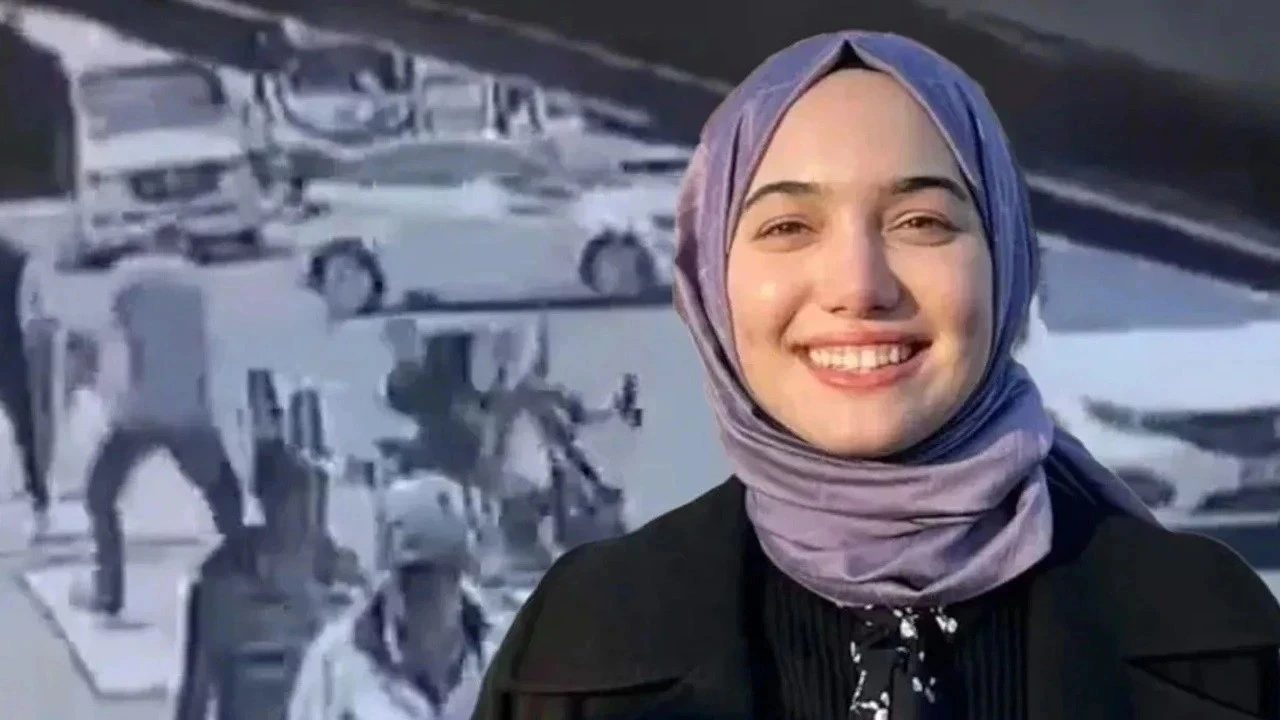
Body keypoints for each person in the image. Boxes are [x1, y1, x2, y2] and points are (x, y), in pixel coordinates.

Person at [473, 33, 1280, 720]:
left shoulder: (1212, 634)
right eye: (789, 226)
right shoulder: (581, 647)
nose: (859, 286)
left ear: (1005, 259)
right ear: (711, 278)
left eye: (921, 221)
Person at [75, 234, 245, 616]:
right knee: (224, 499)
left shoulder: (127, 281)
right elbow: (214, 351)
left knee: (100, 495)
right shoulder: (198, 286)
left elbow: (112, 346)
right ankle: (245, 575)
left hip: (137, 415)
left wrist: (109, 395)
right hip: (188, 416)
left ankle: (108, 592)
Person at [170, 403, 364, 720]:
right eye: (292, 496)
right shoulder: (221, 586)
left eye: (314, 493)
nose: (305, 512)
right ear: (266, 498)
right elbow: (195, 695)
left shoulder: (346, 588)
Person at [287, 475, 490, 719]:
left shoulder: (502, 656)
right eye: (415, 576)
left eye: (447, 574)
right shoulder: (334, 662)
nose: (432, 592)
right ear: (391, 578)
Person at [0, 237, 48, 531]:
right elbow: (33, 312)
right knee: (25, 428)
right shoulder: (19, 259)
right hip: (10, 350)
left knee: (25, 427)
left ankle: (37, 491)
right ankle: (37, 493)